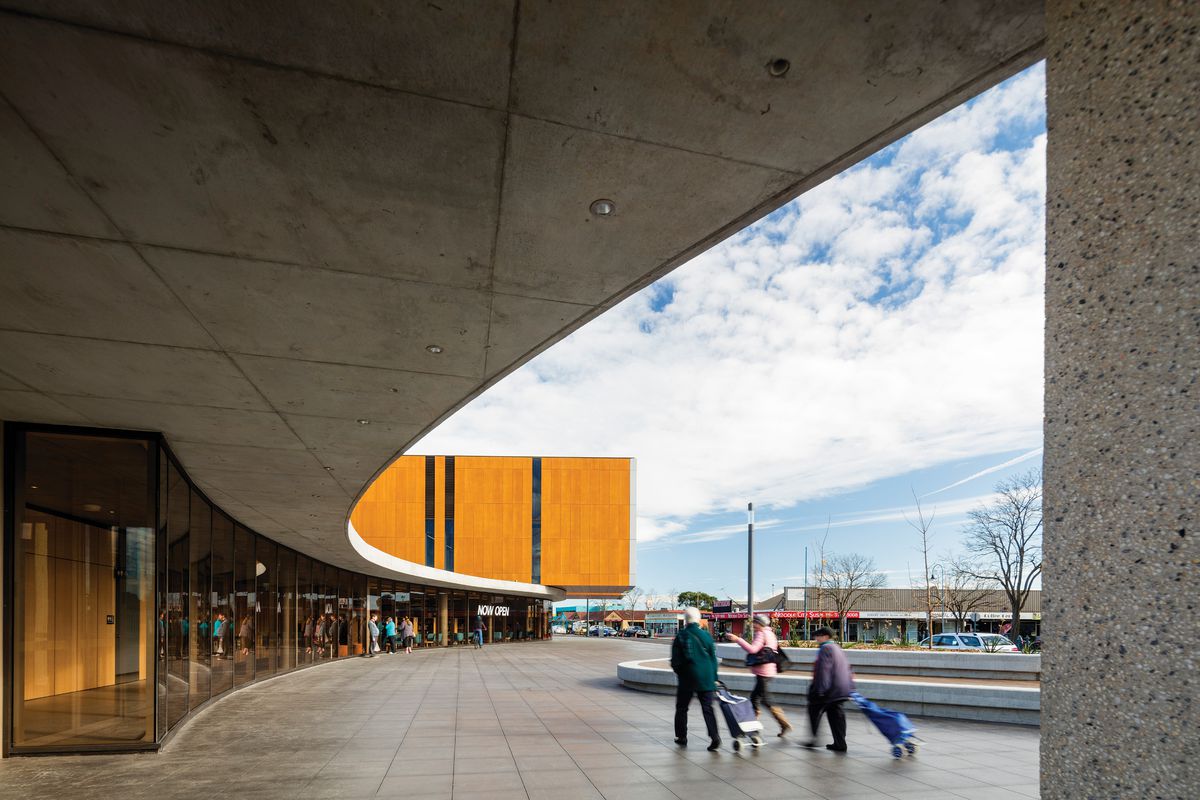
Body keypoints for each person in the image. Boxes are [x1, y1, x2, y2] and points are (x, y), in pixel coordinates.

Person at [727, 614, 792, 737]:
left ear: (760, 624)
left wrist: (737, 640)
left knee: (758, 699)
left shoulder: (761, 633)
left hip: (763, 671)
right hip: (768, 671)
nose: (753, 624)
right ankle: (781, 724)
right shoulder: (770, 633)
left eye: (755, 622)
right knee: (762, 699)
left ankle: (753, 729)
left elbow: (753, 649)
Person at [670, 607, 721, 751]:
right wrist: (714, 677)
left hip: (687, 678)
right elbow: (713, 659)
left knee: (682, 708)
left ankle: (682, 736)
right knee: (708, 708)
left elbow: (675, 661)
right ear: (698, 619)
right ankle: (715, 736)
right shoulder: (706, 636)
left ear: (685, 620)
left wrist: (681, 673)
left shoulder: (681, 635)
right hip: (706, 677)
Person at [803, 626, 855, 752]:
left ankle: (814, 739)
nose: (816, 638)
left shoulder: (825, 648)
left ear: (825, 636)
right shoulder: (837, 647)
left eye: (818, 636)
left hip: (830, 689)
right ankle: (840, 743)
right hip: (841, 688)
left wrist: (821, 690)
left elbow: (823, 671)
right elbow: (847, 668)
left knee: (814, 709)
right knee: (836, 715)